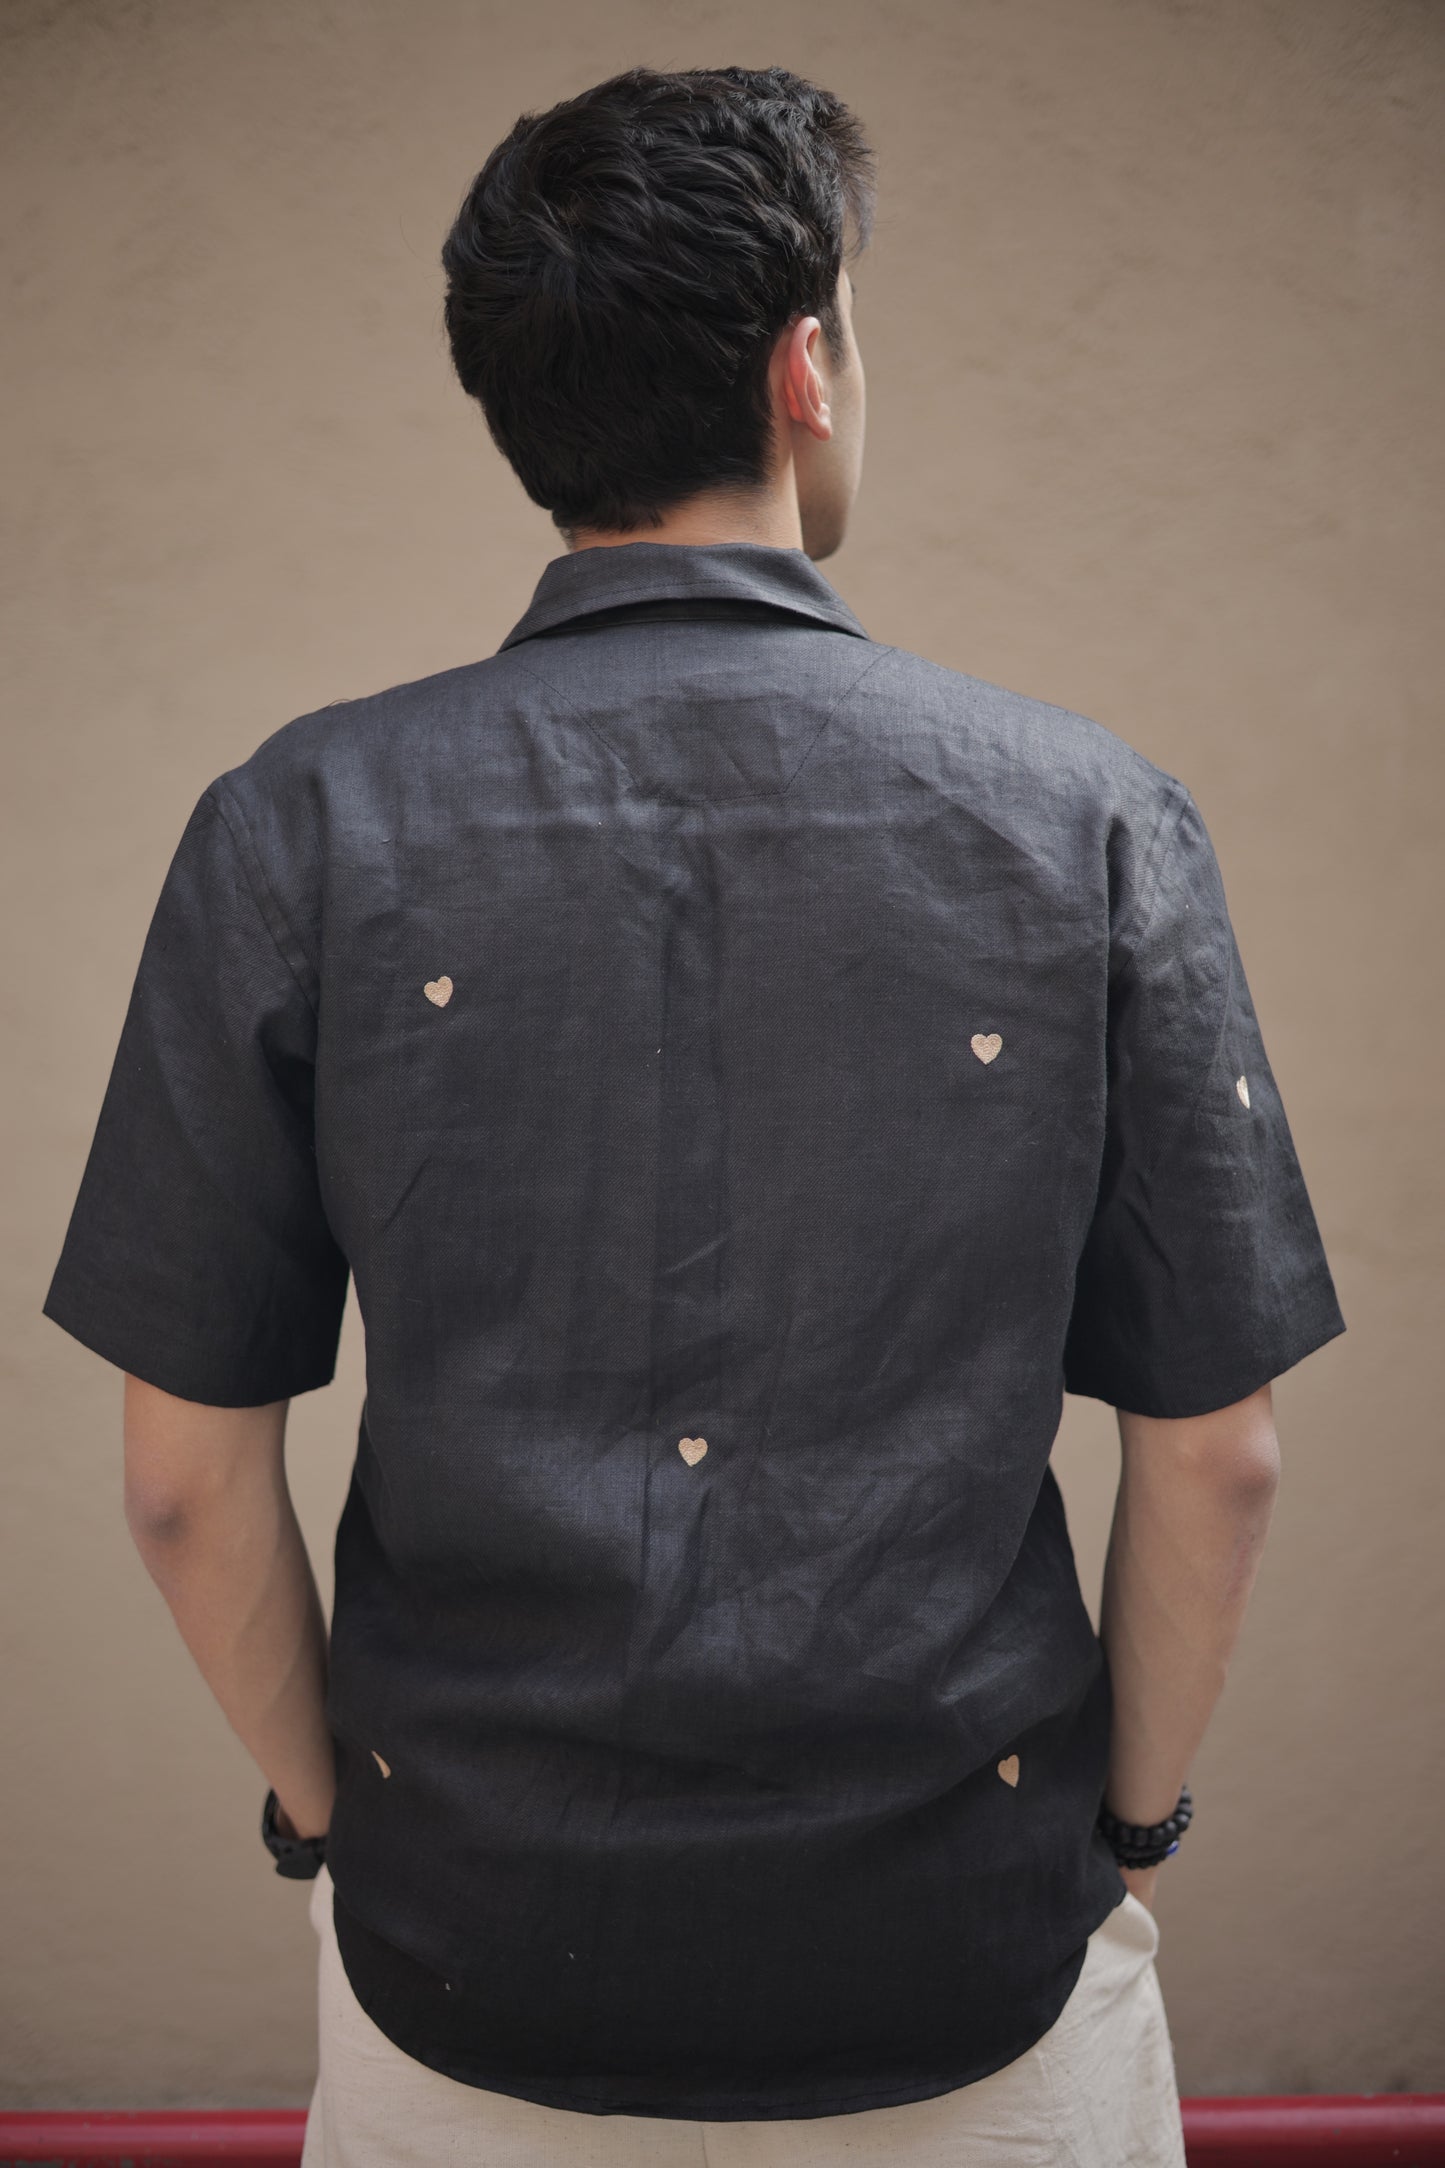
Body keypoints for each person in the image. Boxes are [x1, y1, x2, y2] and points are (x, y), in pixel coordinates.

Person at [44, 63, 1346, 2168]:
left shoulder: (297, 821)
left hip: (463, 1975)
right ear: (806, 364)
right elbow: (1220, 1449)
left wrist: (326, 1817)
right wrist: (1129, 1825)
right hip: (974, 1974)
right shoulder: (1092, 818)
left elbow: (188, 1482)